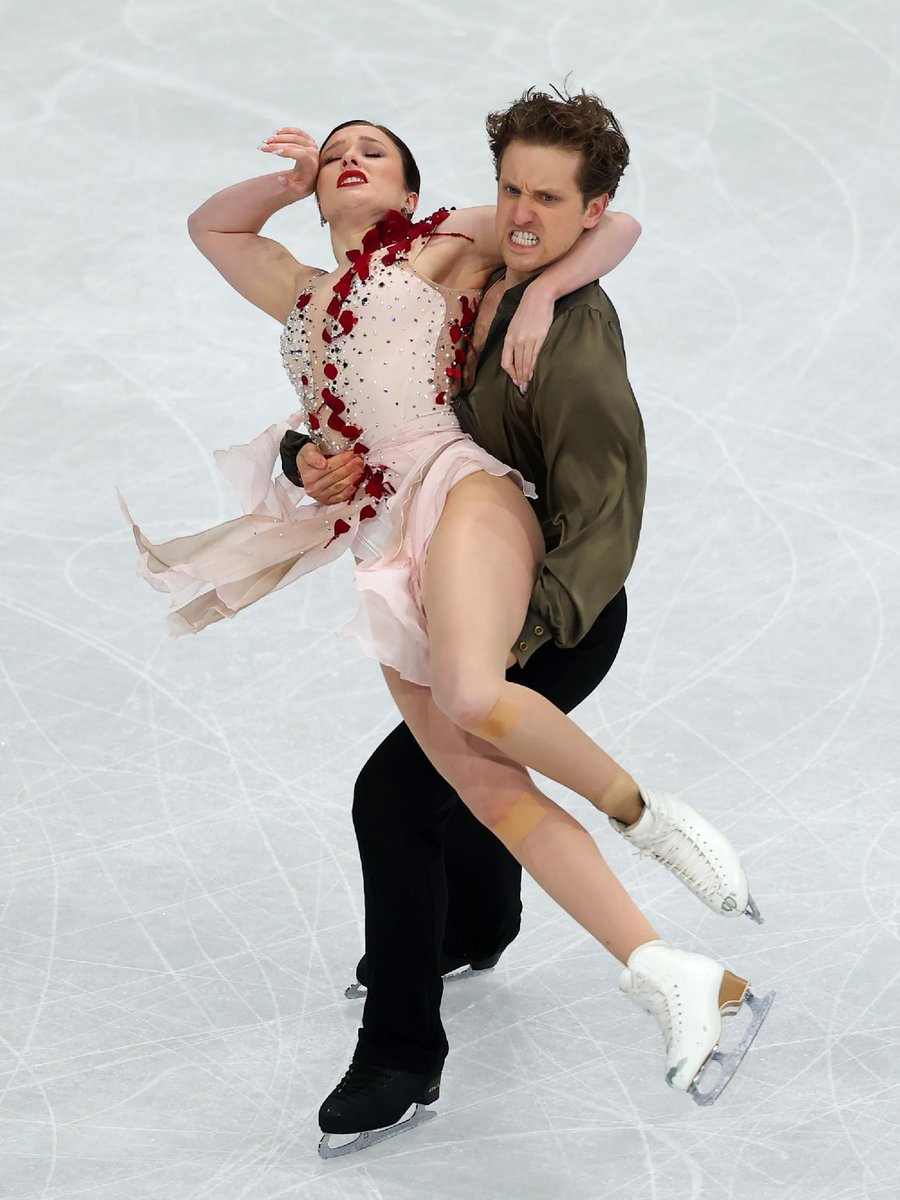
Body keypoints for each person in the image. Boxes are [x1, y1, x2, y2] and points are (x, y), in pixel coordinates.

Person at [121, 90, 770, 1156]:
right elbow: (213, 228)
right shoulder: (301, 291)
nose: (350, 157)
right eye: (335, 154)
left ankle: (650, 818)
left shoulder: (439, 247)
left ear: (412, 189)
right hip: (379, 541)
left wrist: (543, 288)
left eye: (374, 150)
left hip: (458, 490)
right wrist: (285, 188)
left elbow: (611, 224)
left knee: (470, 697)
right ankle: (676, 975)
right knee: (486, 791)